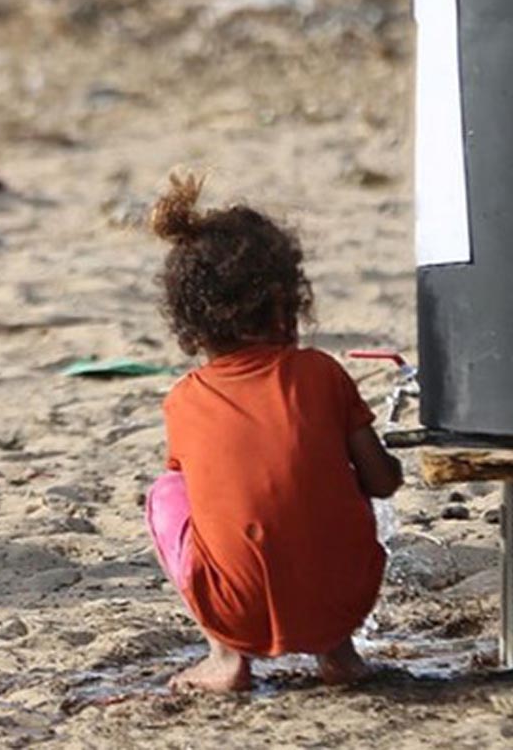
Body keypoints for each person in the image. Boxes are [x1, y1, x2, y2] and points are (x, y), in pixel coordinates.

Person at [144, 173, 402, 692]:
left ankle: (226, 659)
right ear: (285, 304)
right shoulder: (322, 373)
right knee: (323, 478)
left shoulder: (184, 400)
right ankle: (340, 655)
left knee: (167, 493)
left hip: (235, 610)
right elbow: (382, 483)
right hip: (345, 600)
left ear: (190, 324)